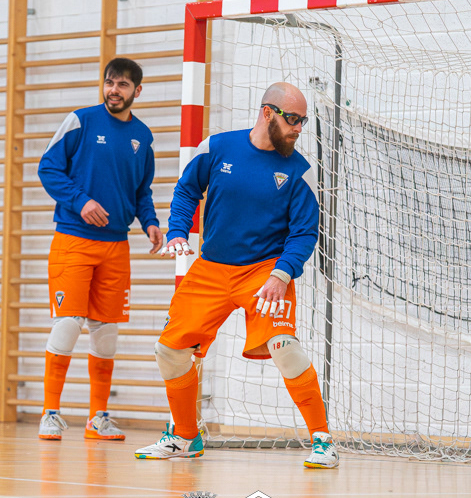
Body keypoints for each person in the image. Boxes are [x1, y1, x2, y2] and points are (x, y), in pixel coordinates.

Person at [135, 82, 339, 468]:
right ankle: (185, 437)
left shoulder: (300, 171)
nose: (298, 128)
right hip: (211, 268)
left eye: (303, 121)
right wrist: (178, 231)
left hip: (264, 272)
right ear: (267, 113)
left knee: (284, 347)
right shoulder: (217, 148)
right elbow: (186, 190)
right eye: (292, 119)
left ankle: (323, 440)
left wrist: (282, 274)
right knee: (169, 352)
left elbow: (304, 233)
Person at [36, 57, 164, 441]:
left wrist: (150, 221)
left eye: (122, 85)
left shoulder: (142, 136)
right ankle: (50, 413)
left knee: (106, 332)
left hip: (116, 245)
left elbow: (141, 190)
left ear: (137, 91)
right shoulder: (81, 121)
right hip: (74, 240)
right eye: (110, 82)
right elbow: (48, 167)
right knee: (68, 324)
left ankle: (98, 418)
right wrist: (81, 201)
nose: (114, 90)